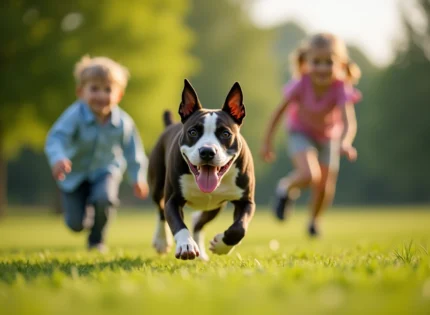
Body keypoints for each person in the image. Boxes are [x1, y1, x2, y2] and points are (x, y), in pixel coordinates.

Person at [261, 33, 362, 237]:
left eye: (328, 62)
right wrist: (267, 142)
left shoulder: (340, 87)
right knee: (309, 175)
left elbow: (348, 120)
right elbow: (278, 113)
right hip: (301, 132)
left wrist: (345, 142)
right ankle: (285, 188)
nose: (322, 68)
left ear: (340, 64)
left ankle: (314, 221)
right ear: (306, 62)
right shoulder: (301, 83)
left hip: (328, 137)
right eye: (317, 62)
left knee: (325, 186)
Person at [45, 55, 149, 251]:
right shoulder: (74, 116)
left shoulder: (123, 123)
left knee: (105, 199)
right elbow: (56, 138)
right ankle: (84, 220)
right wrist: (58, 158)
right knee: (75, 224)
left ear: (118, 95)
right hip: (74, 174)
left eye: (108, 90)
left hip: (105, 171)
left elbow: (134, 151)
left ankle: (97, 240)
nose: (101, 96)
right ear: (80, 92)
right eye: (94, 89)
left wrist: (138, 178)